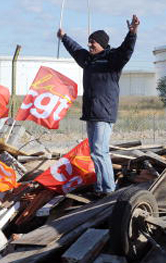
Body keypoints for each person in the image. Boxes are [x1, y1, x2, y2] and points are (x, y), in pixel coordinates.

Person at [57, 15, 140, 195]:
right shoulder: (88, 60)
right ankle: (100, 187)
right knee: (95, 152)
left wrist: (132, 33)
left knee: (100, 151)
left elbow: (126, 50)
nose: (89, 45)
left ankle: (109, 190)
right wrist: (64, 37)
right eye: (89, 42)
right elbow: (76, 50)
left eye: (92, 42)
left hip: (104, 112)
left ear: (101, 43)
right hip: (91, 113)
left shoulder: (112, 59)